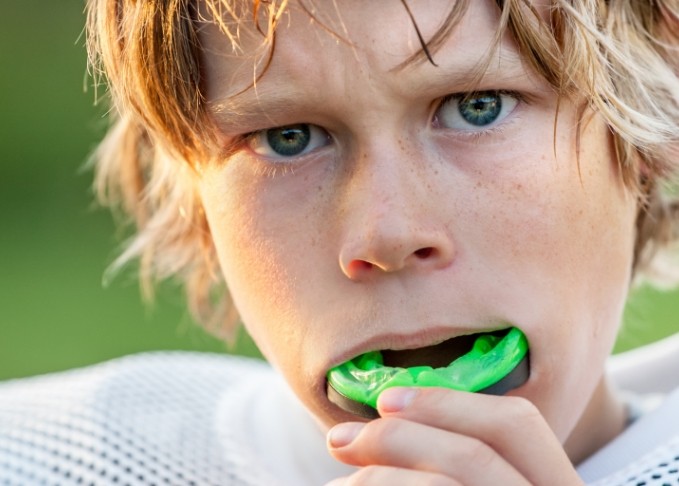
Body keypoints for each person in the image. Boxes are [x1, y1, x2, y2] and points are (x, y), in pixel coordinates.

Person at [2, 0, 679, 484]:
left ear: (651, 121)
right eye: (287, 138)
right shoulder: (53, 457)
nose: (386, 234)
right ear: (196, 201)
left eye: (476, 107)